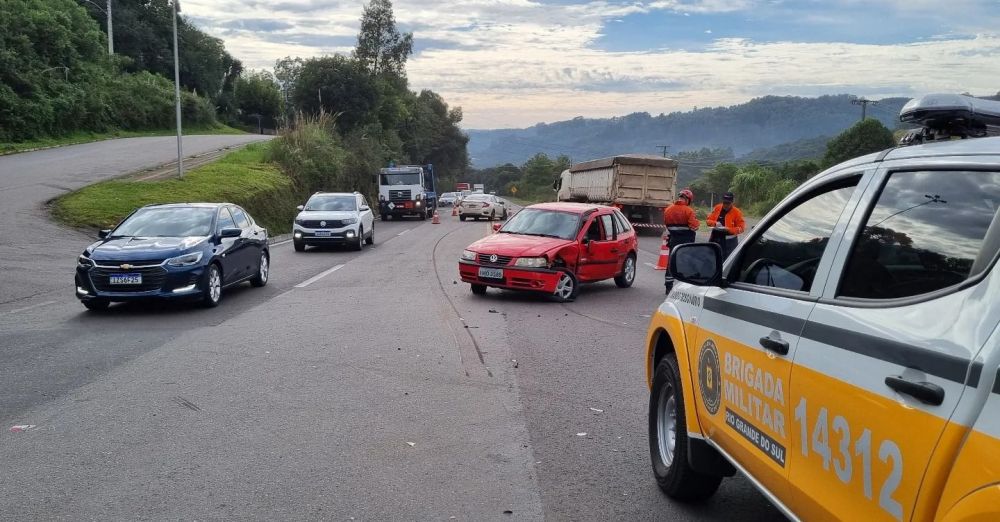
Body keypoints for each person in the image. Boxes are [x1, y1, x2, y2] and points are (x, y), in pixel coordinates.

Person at [662, 188, 700, 294]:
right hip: (686, 242)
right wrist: (697, 223)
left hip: (673, 240)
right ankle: (686, 287)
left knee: (671, 263)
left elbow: (667, 225)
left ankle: (668, 286)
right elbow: (694, 227)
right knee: (687, 264)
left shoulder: (668, 210)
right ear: (688, 200)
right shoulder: (689, 211)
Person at [706, 192, 745, 259]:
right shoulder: (717, 207)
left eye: (728, 203)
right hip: (715, 238)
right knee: (712, 258)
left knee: (727, 261)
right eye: (724, 203)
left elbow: (741, 228)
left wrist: (729, 230)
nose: (725, 205)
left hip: (729, 242)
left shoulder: (737, 212)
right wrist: (715, 223)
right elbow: (708, 221)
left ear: (732, 202)